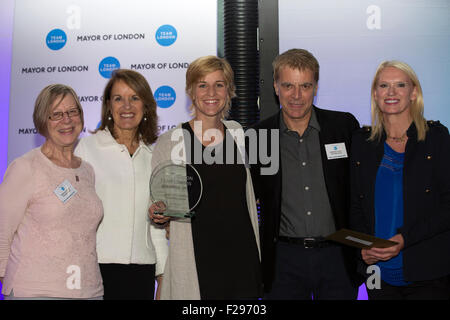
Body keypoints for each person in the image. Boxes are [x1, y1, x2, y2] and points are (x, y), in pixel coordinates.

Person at [250, 48, 361, 299]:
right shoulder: (259, 136)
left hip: (338, 256)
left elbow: (362, 190)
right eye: (288, 85)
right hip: (283, 261)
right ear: (276, 87)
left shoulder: (343, 126)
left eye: (305, 86)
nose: (296, 96)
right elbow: (246, 196)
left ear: (316, 87)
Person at [150, 55, 262, 299]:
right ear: (191, 90)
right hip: (195, 265)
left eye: (219, 84)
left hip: (241, 262)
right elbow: (158, 206)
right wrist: (158, 212)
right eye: (202, 84)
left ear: (229, 90)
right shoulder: (170, 142)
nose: (211, 92)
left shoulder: (241, 135)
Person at [349, 60, 450, 300]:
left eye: (400, 85)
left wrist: (405, 238)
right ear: (375, 94)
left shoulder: (436, 137)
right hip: (377, 275)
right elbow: (355, 205)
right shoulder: (361, 142)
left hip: (428, 272)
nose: (391, 92)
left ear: (413, 93)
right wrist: (362, 246)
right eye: (384, 85)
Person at [0, 84, 103, 299]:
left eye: (72, 111)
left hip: (89, 291)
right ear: (42, 121)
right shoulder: (26, 167)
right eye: (56, 114)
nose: (66, 120)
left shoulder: (87, 171)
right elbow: (2, 231)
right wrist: (5, 279)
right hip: (36, 292)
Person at [75, 69, 168, 300]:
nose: (127, 106)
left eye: (134, 98)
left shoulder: (153, 157)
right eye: (118, 98)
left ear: (145, 105)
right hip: (95, 268)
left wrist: (163, 275)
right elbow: (71, 215)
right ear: (109, 106)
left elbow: (156, 225)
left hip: (142, 272)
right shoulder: (87, 150)